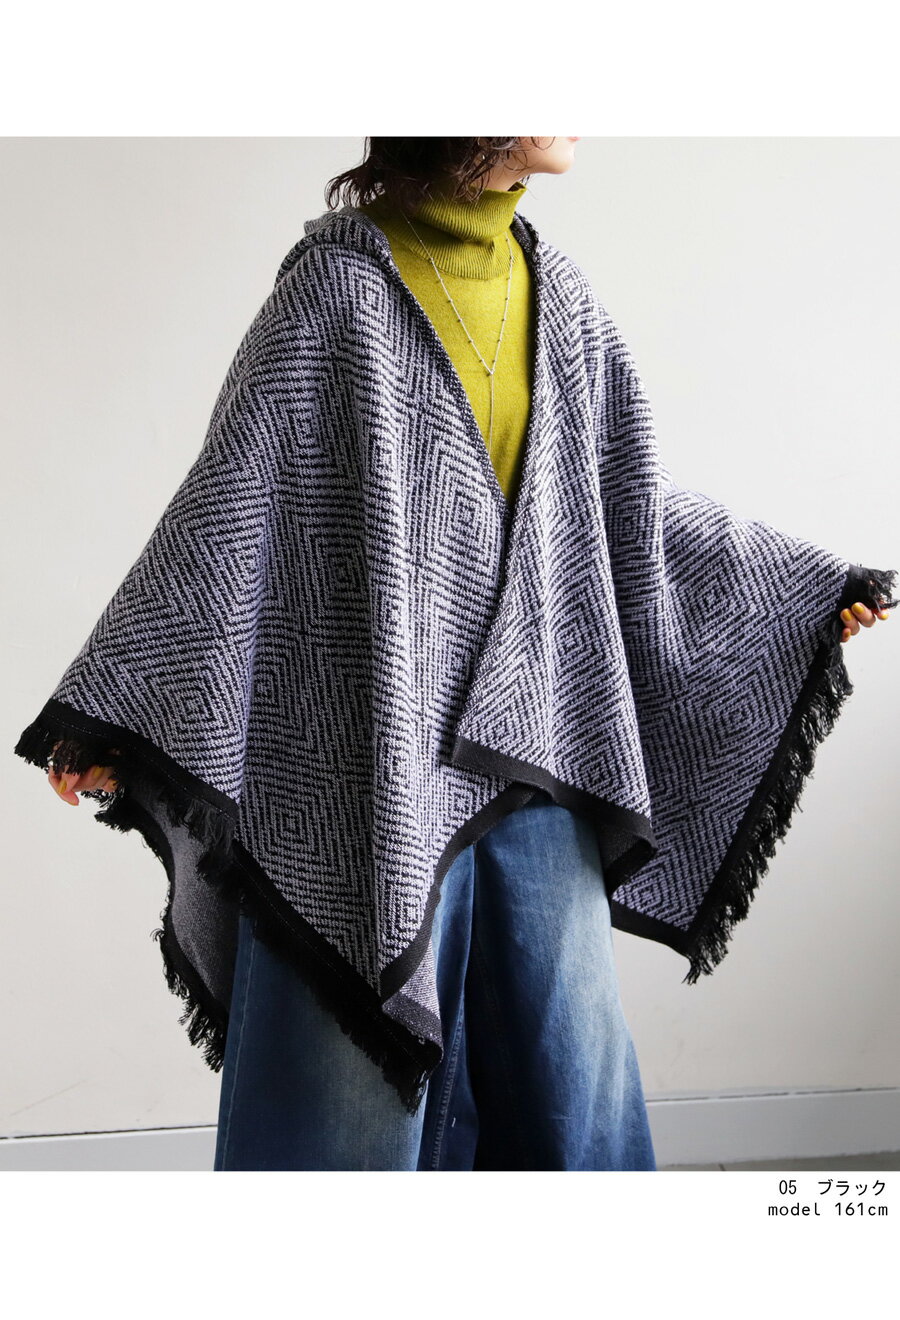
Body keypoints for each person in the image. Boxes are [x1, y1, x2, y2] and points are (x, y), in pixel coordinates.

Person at [39, 137, 891, 1171]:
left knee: (570, 1089)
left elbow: (617, 513)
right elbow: (232, 506)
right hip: (362, 770)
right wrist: (116, 720)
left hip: (537, 752)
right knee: (342, 1104)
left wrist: (801, 593)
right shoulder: (335, 294)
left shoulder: (562, 300)